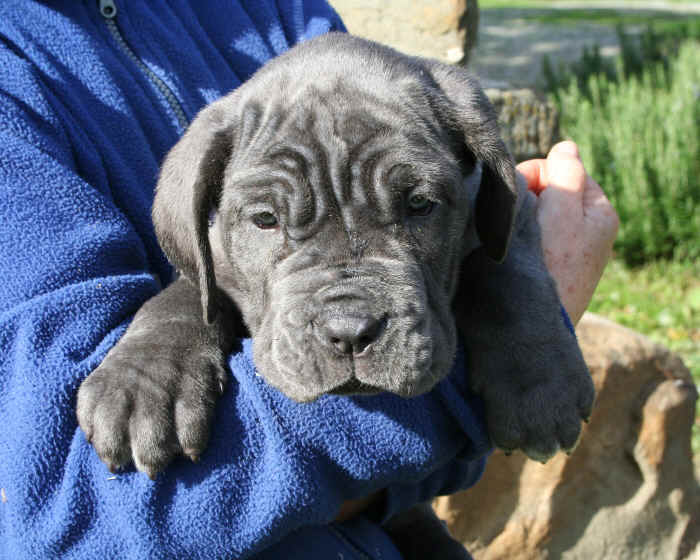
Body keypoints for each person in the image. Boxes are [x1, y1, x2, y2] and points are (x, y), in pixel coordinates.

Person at [0, 1, 618, 558]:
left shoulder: (278, 7)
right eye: (268, 217)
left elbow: (488, 209)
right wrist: (180, 317)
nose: (349, 320)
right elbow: (75, 516)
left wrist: (517, 295)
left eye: (417, 203)